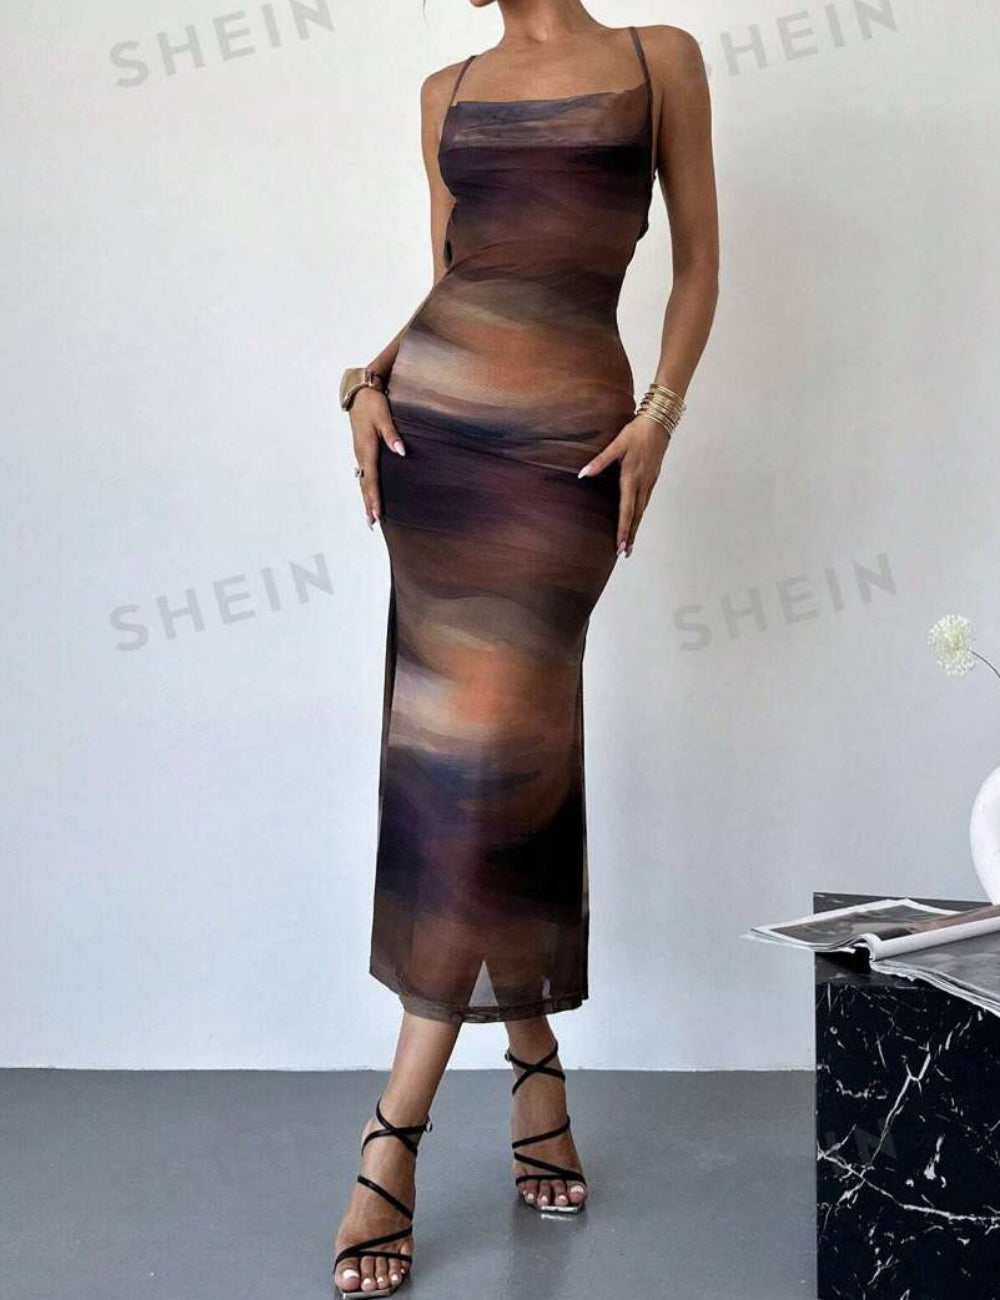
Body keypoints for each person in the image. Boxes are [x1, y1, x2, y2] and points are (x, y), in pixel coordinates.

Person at [334, 1, 719, 1293]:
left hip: (571, 447)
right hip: (438, 437)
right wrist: (365, 379)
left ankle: (396, 1127)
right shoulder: (445, 89)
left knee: (499, 751)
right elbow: (460, 273)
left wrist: (661, 412)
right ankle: (528, 1072)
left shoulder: (658, 59)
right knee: (476, 765)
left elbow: (700, 266)